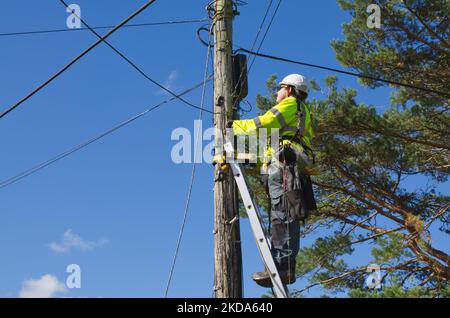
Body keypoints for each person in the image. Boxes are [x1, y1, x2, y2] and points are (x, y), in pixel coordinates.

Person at [232, 74, 317, 287]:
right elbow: (270, 141)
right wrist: (249, 157)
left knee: (283, 213)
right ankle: (283, 265)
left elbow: (265, 122)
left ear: (289, 89)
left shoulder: (291, 104)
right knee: (285, 214)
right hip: (289, 166)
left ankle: (281, 265)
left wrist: (233, 126)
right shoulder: (301, 114)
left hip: (285, 167)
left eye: (279, 89)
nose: (276, 93)